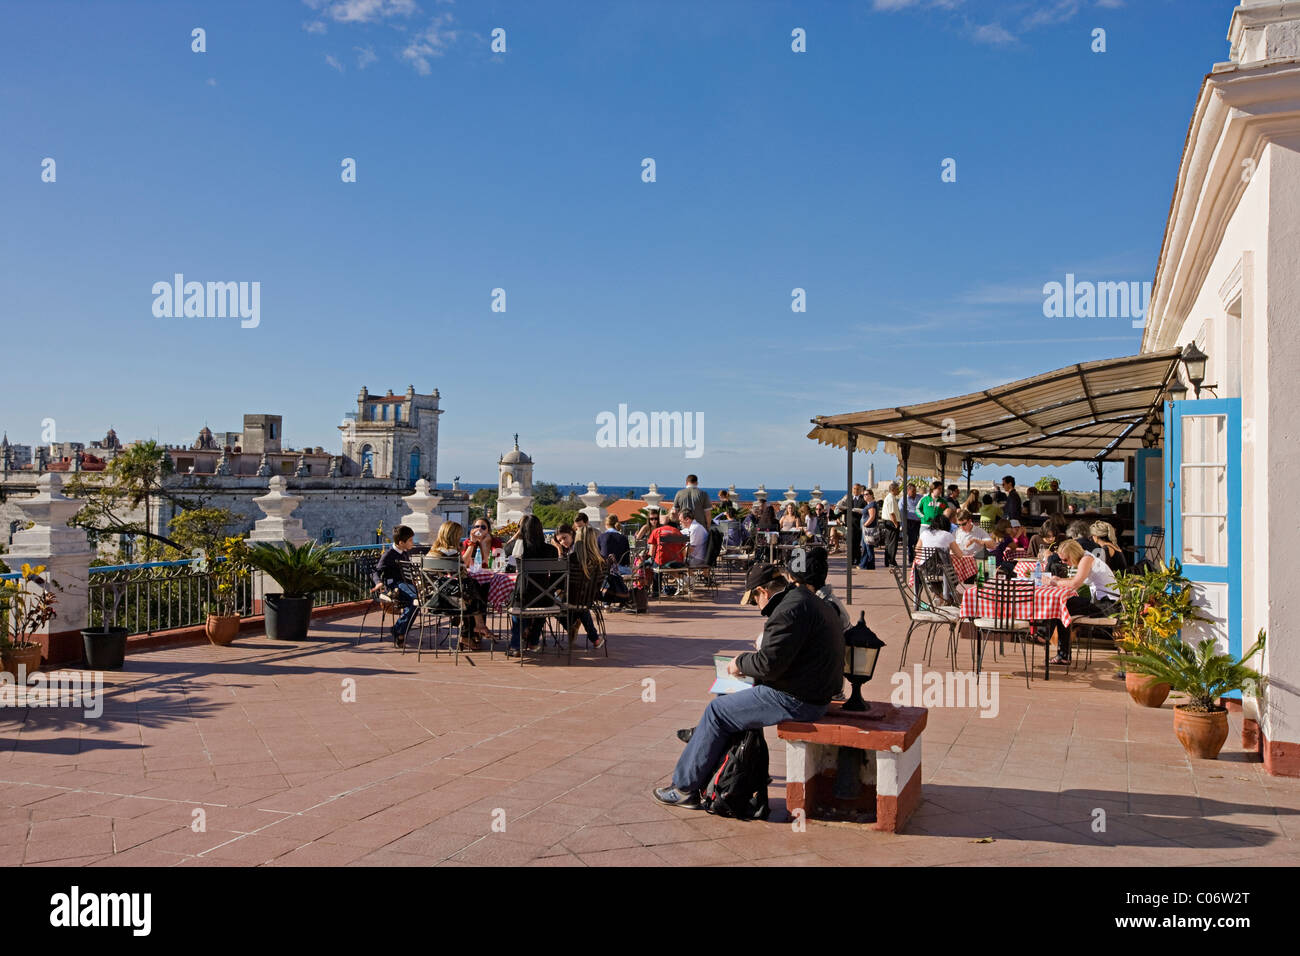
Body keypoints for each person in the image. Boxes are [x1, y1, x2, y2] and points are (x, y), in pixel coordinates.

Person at [653, 563, 844, 809]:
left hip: (800, 699)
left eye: (755, 600)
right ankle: (711, 748)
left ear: (763, 591)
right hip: (813, 689)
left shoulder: (788, 610)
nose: (757, 607)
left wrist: (739, 662)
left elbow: (768, 665)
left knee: (717, 711)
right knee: (727, 694)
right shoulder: (803, 599)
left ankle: (684, 788)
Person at [1044, 539, 1120, 665]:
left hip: (1108, 606)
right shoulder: (1086, 557)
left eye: (1065, 560)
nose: (1064, 563)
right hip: (1103, 602)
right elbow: (1077, 580)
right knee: (1063, 606)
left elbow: (1075, 584)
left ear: (1073, 555)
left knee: (1063, 606)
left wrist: (1055, 582)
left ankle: (1046, 636)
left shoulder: (1086, 559)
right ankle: (1060, 651)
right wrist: (1060, 580)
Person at [431, 520, 492, 650]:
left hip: (432, 597)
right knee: (474, 590)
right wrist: (471, 544)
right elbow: (463, 572)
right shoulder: (450, 554)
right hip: (447, 599)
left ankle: (472, 632)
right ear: (454, 536)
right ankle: (475, 628)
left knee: (470, 591)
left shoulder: (433, 552)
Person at [507, 515, 556, 657]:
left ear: (522, 531)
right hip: (544, 597)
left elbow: (505, 549)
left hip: (522, 596)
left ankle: (516, 645)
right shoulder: (551, 550)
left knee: (517, 605)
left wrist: (517, 534)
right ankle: (534, 640)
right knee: (542, 603)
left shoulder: (518, 548)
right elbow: (555, 576)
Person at [371, 524, 418, 645]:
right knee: (415, 600)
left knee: (417, 600)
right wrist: (378, 583)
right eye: (410, 540)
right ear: (401, 542)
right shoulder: (389, 554)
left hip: (406, 585)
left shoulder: (404, 552)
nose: (413, 543)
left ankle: (398, 629)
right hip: (395, 586)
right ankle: (399, 630)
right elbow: (376, 571)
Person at [791, 546, 851, 630]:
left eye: (794, 583)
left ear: (807, 585)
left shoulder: (824, 607)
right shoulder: (825, 600)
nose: (793, 587)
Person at [566, 525, 606, 649]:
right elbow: (599, 584)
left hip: (570, 599)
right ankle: (595, 639)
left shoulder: (570, 559)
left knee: (554, 600)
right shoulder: (601, 562)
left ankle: (570, 624)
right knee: (582, 606)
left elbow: (562, 584)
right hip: (589, 599)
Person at [879, 481, 901, 568]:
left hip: (888, 522)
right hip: (891, 522)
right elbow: (892, 513)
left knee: (888, 542)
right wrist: (896, 524)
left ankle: (888, 560)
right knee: (892, 543)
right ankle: (892, 561)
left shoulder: (889, 498)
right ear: (893, 489)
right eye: (897, 489)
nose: (898, 491)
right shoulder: (891, 499)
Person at [858, 489, 879, 570]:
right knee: (865, 547)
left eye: (866, 494)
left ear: (871, 495)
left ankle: (870, 564)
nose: (865, 496)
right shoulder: (870, 504)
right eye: (864, 494)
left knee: (868, 547)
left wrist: (865, 524)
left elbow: (872, 516)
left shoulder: (872, 504)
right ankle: (864, 564)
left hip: (868, 530)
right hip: (866, 529)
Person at [905, 483, 923, 561]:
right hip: (910, 522)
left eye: (915, 491)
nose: (915, 492)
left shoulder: (920, 497)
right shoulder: (904, 499)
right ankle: (911, 557)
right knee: (911, 540)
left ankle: (918, 557)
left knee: (919, 539)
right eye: (913, 491)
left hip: (919, 521)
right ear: (908, 491)